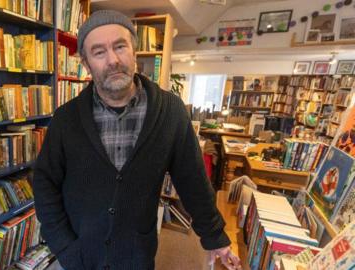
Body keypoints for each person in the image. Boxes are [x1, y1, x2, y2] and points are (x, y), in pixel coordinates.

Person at [33, 10, 241, 270]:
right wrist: (64, 246)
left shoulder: (170, 112)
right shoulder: (66, 119)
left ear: (134, 51)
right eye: (99, 52)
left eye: (120, 46)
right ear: (86, 64)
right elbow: (44, 185)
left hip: (136, 256)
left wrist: (215, 237)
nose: (113, 60)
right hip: (79, 255)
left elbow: (192, 181)